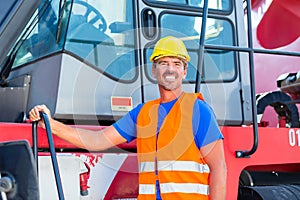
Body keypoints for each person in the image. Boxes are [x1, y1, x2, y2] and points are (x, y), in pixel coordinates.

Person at [29, 36, 227, 199]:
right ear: (153, 70)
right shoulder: (142, 114)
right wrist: (51, 124)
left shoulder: (198, 110)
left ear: (184, 72)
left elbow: (219, 167)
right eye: (163, 63)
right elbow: (97, 140)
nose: (170, 69)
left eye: (176, 64)